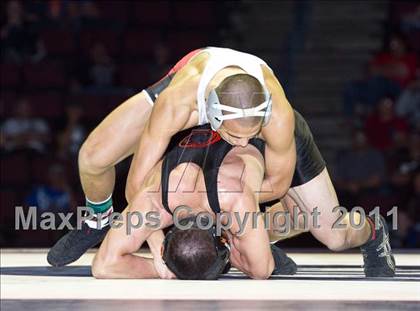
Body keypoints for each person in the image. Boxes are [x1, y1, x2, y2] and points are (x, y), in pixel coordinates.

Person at [48, 47, 395, 277]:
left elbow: (277, 184)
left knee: (332, 233)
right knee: (93, 157)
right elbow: (135, 185)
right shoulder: (177, 105)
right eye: (236, 136)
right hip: (193, 83)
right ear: (211, 117)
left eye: (250, 134)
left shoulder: (277, 117)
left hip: (251, 119)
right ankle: (98, 219)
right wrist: (156, 242)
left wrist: (230, 217)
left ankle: (372, 229)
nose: (244, 142)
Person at [89, 125, 300, 279]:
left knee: (313, 223)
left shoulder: (234, 201)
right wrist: (165, 262)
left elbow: (262, 270)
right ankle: (247, 240)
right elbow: (102, 266)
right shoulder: (155, 198)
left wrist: (166, 270)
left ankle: (246, 240)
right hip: (214, 133)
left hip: (271, 130)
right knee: (247, 236)